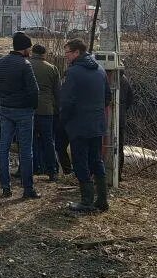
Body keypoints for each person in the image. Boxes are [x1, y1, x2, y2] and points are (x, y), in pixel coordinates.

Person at [59, 39, 112, 212]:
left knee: (80, 161)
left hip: (79, 125)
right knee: (96, 160)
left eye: (67, 52)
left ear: (76, 53)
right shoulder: (100, 70)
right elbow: (107, 98)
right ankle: (102, 199)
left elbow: (66, 102)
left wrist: (63, 121)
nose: (65, 56)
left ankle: (86, 200)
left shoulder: (73, 73)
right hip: (97, 124)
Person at [0, 31, 40, 199]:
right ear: (24, 48)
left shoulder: (0, 63)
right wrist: (32, 107)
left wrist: (3, 103)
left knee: (3, 148)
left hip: (6, 110)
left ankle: (5, 187)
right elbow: (34, 90)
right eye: (28, 47)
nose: (30, 50)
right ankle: (28, 189)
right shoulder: (25, 65)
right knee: (26, 150)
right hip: (24, 111)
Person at [29, 44, 61, 182]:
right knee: (48, 141)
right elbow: (57, 92)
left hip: (29, 109)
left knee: (29, 140)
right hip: (47, 110)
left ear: (32, 52)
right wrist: (57, 109)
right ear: (44, 54)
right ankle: (52, 171)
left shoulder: (27, 65)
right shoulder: (52, 68)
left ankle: (32, 167)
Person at [118, 70, 134, 183]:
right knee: (119, 147)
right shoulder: (125, 80)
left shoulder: (108, 78)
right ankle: (118, 173)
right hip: (121, 116)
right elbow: (130, 99)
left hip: (111, 117)